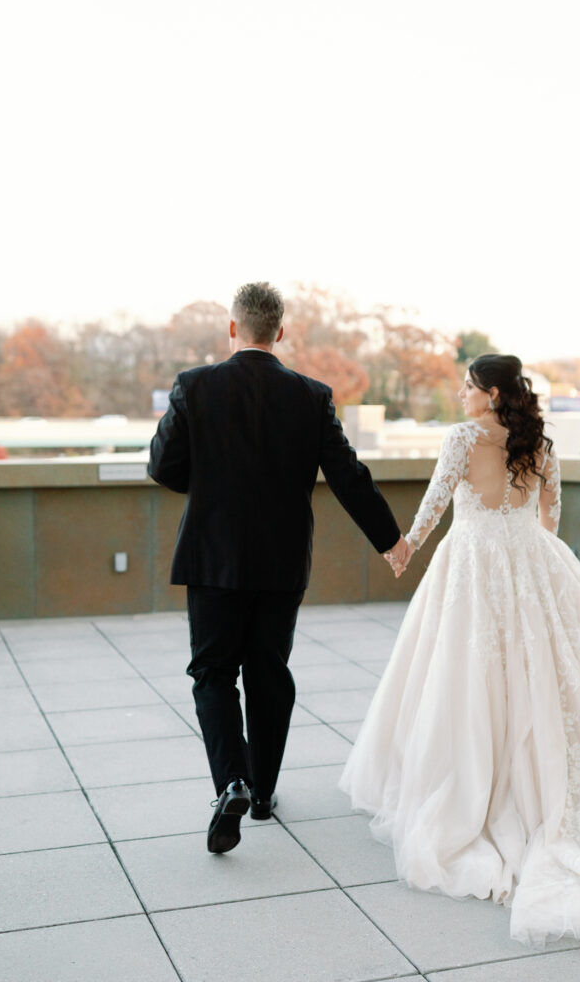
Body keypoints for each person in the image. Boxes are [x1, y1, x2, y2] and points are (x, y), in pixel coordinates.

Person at [340, 353, 580, 944]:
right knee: (548, 673)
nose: (461, 393)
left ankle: (482, 793)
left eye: (468, 386)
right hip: (531, 560)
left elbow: (437, 503)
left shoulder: (462, 439)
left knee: (467, 677)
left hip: (471, 563)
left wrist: (405, 547)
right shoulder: (539, 441)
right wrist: (531, 569)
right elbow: (551, 515)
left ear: (491, 393)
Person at [148, 282, 410, 854]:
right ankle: (262, 793)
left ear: (233, 327)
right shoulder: (311, 396)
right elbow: (348, 476)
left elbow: (163, 466)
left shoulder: (195, 386)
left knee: (213, 674)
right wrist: (391, 540)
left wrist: (212, 485)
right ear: (281, 331)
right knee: (268, 672)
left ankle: (232, 782)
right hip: (281, 560)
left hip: (213, 556)